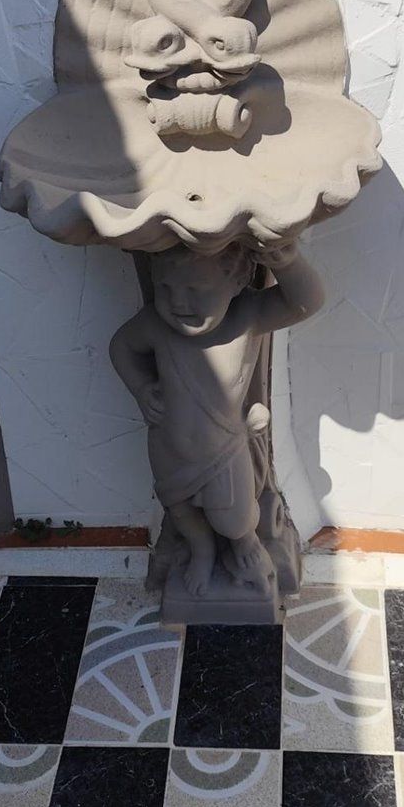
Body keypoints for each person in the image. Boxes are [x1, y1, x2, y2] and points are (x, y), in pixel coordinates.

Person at [110, 238, 324, 597]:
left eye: (196, 290)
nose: (178, 303)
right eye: (165, 289)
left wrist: (285, 261)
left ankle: (245, 546)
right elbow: (122, 347)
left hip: (222, 452)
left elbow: (305, 302)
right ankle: (202, 550)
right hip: (168, 446)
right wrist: (142, 388)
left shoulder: (247, 317)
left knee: (235, 519)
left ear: (237, 282)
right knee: (181, 511)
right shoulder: (155, 325)